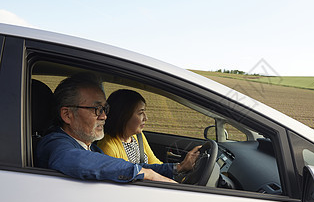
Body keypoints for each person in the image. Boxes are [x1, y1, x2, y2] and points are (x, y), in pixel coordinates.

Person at [36, 73, 199, 183]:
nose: (104, 116)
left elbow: (120, 164)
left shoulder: (89, 147)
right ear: (67, 115)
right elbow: (72, 159)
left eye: (105, 109)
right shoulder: (55, 144)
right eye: (96, 109)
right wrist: (145, 174)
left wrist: (177, 168)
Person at [97, 89, 200, 171]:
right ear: (124, 116)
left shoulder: (138, 136)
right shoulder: (108, 147)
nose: (146, 118)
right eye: (140, 113)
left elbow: (155, 164)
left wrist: (179, 169)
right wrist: (180, 167)